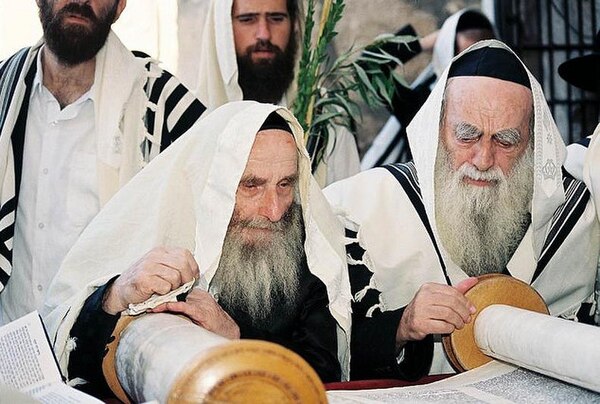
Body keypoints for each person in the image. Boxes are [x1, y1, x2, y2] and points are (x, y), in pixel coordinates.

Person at [324, 40, 600, 380]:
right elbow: (319, 352)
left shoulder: (580, 218)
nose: (483, 160)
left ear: (533, 143)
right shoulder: (360, 209)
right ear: (437, 131)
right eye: (467, 136)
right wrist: (401, 325)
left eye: (506, 140)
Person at [43, 102, 352, 397]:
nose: (273, 211)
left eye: (285, 185)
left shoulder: (305, 256)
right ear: (213, 183)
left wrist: (237, 338)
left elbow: (323, 373)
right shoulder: (155, 227)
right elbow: (67, 352)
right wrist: (114, 296)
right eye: (251, 186)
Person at [0, 0, 206, 325]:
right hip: (8, 343)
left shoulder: (161, 106)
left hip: (99, 355)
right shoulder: (4, 91)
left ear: (120, 5)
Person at [196, 0, 360, 187]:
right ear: (223, 30)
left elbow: (349, 211)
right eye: (247, 19)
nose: (264, 34)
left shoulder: (327, 120)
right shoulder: (192, 124)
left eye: (276, 18)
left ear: (293, 25)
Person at [361, 8, 496, 169]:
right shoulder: (425, 104)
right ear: (448, 55)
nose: (473, 67)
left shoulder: (500, 103)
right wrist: (429, 42)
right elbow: (369, 66)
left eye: (480, 55)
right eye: (463, 56)